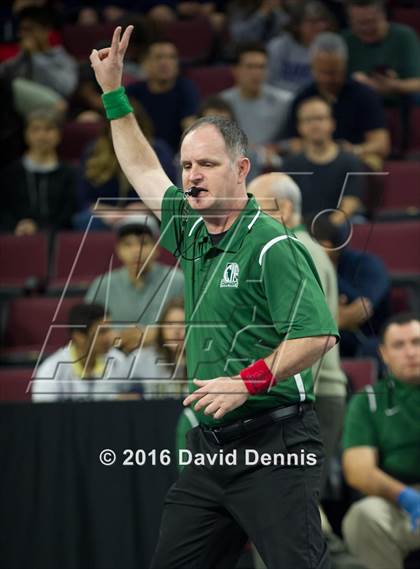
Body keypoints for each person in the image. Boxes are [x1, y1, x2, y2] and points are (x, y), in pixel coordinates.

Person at [90, 26, 339, 569]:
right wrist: (114, 94)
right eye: (187, 166)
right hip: (212, 447)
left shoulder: (273, 245)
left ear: (241, 170)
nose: (192, 177)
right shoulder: (192, 227)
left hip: (276, 443)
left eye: (207, 164)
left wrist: (246, 381)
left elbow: (316, 334)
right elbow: (140, 169)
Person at [341, 312, 420, 569]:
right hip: (400, 505)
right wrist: (406, 497)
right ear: (384, 354)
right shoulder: (368, 401)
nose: (410, 352)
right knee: (363, 517)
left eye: (417, 342)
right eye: (399, 345)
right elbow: (358, 471)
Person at [285, 32, 390, 169]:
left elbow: (381, 144)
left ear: (345, 66)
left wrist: (353, 150)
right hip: (313, 161)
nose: (328, 79)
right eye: (323, 72)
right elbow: (295, 144)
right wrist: (322, 152)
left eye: (334, 72)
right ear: (312, 67)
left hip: (355, 159)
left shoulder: (365, 95)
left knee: (372, 162)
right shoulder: (303, 97)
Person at [85, 215, 184, 354]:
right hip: (114, 361)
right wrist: (117, 338)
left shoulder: (179, 281)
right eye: (128, 244)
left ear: (156, 249)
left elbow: (197, 326)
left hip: (166, 362)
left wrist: (155, 335)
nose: (136, 250)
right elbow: (87, 331)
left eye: (143, 243)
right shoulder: (102, 285)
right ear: (118, 250)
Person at [313, 218, 390, 361]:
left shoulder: (367, 264)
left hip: (367, 337)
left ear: (326, 246)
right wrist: (337, 319)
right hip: (325, 337)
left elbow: (362, 308)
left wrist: (323, 269)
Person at [282, 96, 365, 224]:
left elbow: (351, 202)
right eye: (308, 120)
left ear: (332, 123)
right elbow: (287, 205)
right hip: (303, 229)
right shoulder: (290, 165)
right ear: (299, 127)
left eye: (320, 118)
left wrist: (326, 229)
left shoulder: (350, 161)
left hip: (340, 226)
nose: (315, 125)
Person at [31, 302, 131, 402]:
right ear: (79, 336)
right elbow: (45, 415)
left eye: (110, 330)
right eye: (102, 332)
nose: (110, 337)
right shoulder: (51, 369)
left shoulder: (118, 360)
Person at [0, 108, 77, 235]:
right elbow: (4, 209)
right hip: (13, 236)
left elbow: (69, 213)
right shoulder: (10, 173)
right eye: (35, 129)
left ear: (59, 134)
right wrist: (16, 226)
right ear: (26, 134)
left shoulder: (70, 174)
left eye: (48, 129)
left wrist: (40, 228)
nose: (42, 136)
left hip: (57, 238)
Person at [220, 42, 292, 175]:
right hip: (234, 168)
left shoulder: (285, 101)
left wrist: (279, 147)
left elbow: (296, 141)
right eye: (250, 67)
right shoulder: (222, 103)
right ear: (235, 70)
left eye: (261, 67)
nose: (256, 73)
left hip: (275, 168)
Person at [126, 39, 200, 152]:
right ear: (145, 63)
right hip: (140, 151)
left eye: (172, 57)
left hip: (177, 155)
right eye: (158, 57)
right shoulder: (133, 92)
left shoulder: (186, 88)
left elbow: (190, 126)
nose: (165, 62)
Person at [343, 0, 420, 107]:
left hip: (400, 101)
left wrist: (394, 85)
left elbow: (417, 83)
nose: (365, 28)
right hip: (358, 103)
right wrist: (356, 83)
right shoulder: (344, 40)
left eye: (371, 21)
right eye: (359, 23)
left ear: (383, 16)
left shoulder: (405, 36)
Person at [0, 6, 78, 99]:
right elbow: (3, 74)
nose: (22, 34)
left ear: (46, 31)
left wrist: (36, 55)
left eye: (28, 29)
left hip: (51, 110)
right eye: (21, 29)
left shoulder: (62, 58)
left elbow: (66, 89)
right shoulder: (22, 57)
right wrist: (23, 55)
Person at [267, 1, 335, 94]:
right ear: (297, 25)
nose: (319, 27)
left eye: (322, 21)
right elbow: (269, 83)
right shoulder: (278, 47)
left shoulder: (331, 48)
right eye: (312, 22)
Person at [129, 297, 187, 399]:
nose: (176, 331)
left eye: (183, 324)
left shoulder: (202, 360)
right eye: (170, 324)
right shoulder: (141, 358)